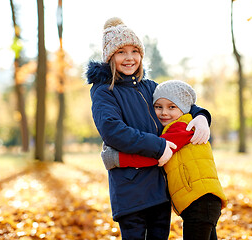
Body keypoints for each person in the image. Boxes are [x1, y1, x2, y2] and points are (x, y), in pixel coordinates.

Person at [86, 17, 211, 240]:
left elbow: (181, 103)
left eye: (135, 50)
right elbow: (112, 130)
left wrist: (201, 116)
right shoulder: (105, 91)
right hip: (130, 190)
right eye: (121, 51)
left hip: (160, 189)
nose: (129, 57)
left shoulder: (149, 86)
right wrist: (159, 145)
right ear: (110, 57)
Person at [102, 80, 228, 240]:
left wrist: (117, 158)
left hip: (200, 201)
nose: (164, 113)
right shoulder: (176, 126)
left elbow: (153, 155)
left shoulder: (183, 127)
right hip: (203, 201)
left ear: (183, 108)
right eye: (158, 106)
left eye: (171, 107)